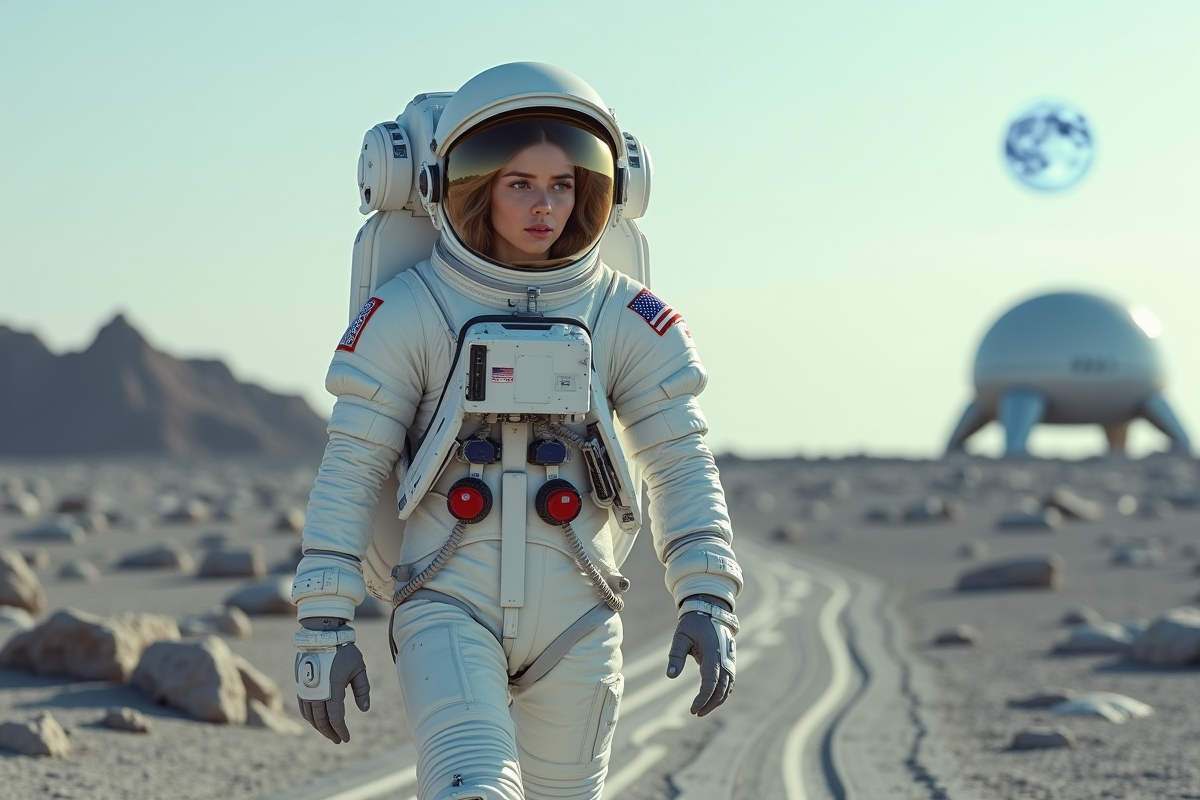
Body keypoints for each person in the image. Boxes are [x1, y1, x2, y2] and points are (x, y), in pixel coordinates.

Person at [291, 62, 743, 800]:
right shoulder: (414, 311)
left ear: (599, 189)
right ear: (473, 188)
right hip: (447, 600)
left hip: (581, 613)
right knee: (473, 788)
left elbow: (680, 459)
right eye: (520, 184)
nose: (545, 207)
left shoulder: (625, 316)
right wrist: (324, 622)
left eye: (562, 185)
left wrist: (708, 595)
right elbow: (353, 465)